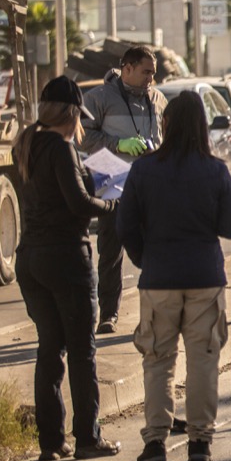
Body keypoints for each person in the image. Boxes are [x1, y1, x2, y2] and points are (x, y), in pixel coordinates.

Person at [117, 91, 231, 461]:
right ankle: (200, 442)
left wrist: (145, 259)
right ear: (203, 127)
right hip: (205, 276)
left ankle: (155, 442)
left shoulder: (143, 169)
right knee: (203, 359)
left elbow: (125, 225)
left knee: (158, 361)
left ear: (166, 125)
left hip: (159, 278)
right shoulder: (216, 170)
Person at [13, 76, 122, 461]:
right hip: (66, 258)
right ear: (74, 114)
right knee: (81, 351)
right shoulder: (60, 149)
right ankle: (87, 439)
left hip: (30, 259)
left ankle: (51, 442)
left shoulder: (26, 145)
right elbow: (78, 204)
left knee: (50, 348)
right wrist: (112, 204)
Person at [81, 45, 167, 334]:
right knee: (110, 252)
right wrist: (117, 144)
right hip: (113, 185)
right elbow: (82, 136)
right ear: (127, 68)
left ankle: (155, 311)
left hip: (150, 187)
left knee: (155, 251)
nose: (150, 80)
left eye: (153, 74)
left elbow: (166, 136)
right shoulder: (99, 98)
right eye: (146, 72)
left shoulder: (157, 99)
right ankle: (108, 314)